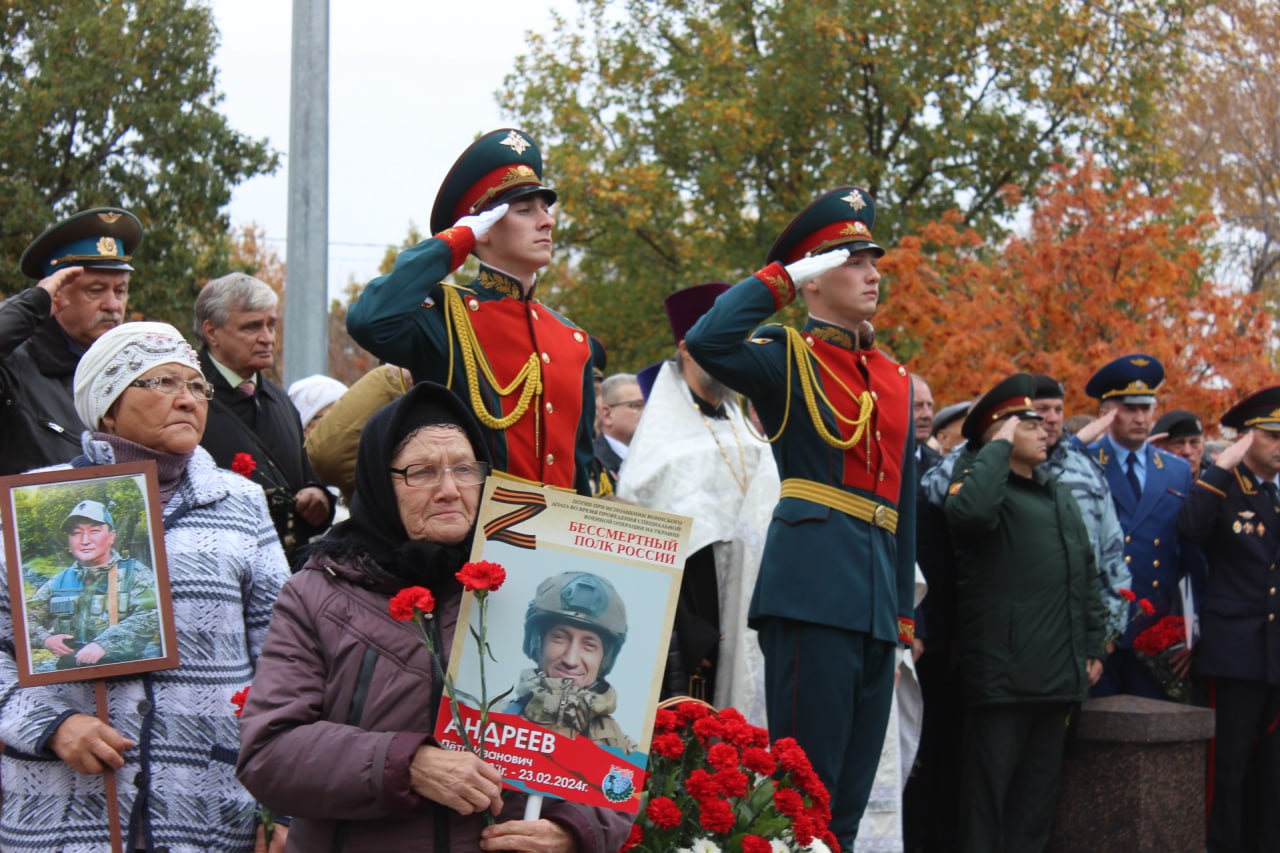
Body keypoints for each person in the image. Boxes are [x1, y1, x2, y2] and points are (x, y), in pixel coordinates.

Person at [236, 382, 631, 852]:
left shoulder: (533, 592)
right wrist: (407, 764)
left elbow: (613, 768)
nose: (448, 490)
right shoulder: (319, 594)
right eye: (421, 472)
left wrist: (572, 831)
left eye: (465, 469)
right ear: (382, 484)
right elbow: (269, 755)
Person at [685, 186, 917, 849]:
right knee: (797, 797)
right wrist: (779, 279)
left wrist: (902, 612)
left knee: (843, 803)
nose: (873, 272)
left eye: (874, 259)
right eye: (853, 261)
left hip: (875, 605)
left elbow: (901, 508)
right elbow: (707, 339)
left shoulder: (895, 379)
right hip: (813, 593)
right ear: (814, 280)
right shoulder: (785, 356)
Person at [0, 321, 290, 851]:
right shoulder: (39, 506)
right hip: (66, 809)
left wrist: (281, 799)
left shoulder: (240, 504)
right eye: (162, 383)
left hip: (208, 804)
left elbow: (284, 653)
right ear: (108, 405)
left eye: (197, 386)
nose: (188, 400)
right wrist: (51, 725)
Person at [347, 128, 596, 494]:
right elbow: (370, 320)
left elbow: (580, 467)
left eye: (545, 209)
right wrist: (455, 241)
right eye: (525, 210)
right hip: (466, 535)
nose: (547, 221)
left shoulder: (573, 339)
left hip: (552, 545)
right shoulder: (447, 316)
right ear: (483, 229)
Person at [945, 373, 1105, 853]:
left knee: (1035, 809)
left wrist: (1094, 644)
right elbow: (971, 516)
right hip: (1003, 678)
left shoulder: (1054, 489)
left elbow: (1084, 572)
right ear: (1002, 431)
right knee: (986, 804)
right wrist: (995, 449)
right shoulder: (975, 477)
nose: (1045, 430)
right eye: (1029, 424)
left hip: (1056, 677)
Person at [618, 283, 777, 720]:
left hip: (754, 602)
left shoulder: (743, 429)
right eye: (727, 342)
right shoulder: (661, 446)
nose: (736, 354)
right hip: (695, 621)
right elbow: (647, 536)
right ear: (690, 348)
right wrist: (691, 630)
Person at [1177, 386, 1280, 852]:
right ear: (1245, 439)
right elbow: (1190, 529)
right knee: (1228, 772)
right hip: (1235, 654)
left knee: (1273, 777)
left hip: (1276, 656)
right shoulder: (1225, 487)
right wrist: (1221, 467)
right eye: (1272, 435)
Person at [194, 272, 335, 558]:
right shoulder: (186, 398)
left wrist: (318, 497)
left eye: (271, 325)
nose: (267, 338)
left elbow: (308, 476)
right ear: (212, 332)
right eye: (252, 327)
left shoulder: (281, 400)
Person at [1079, 354, 1193, 699]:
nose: (1141, 417)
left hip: (1154, 626)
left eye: (1146, 407)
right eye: (1129, 408)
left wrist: (1190, 625)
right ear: (1107, 412)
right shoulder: (1084, 461)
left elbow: (1187, 550)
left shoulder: (1176, 470)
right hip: (1100, 622)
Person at [0, 207, 141, 474]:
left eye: (120, 291)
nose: (113, 304)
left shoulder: (135, 371)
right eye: (96, 290)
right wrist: (32, 306)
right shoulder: (15, 367)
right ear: (57, 294)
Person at [507, 571, 636, 753]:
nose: (571, 659)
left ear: (605, 658)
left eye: (589, 645)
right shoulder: (486, 722)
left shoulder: (624, 750)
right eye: (560, 638)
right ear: (537, 643)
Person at [27, 499, 157, 671]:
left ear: (111, 536)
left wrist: (103, 645)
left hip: (124, 672)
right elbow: (24, 619)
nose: (84, 540)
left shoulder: (135, 574)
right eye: (76, 533)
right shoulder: (59, 580)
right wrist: (45, 639)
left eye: (94, 531)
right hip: (70, 674)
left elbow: (152, 614)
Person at [304, 363, 414, 504]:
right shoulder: (366, 474)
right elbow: (330, 454)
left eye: (343, 409)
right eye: (329, 417)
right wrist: (393, 377)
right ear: (304, 429)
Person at [594, 372, 642, 483]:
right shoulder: (593, 463)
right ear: (607, 414)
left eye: (648, 406)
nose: (646, 413)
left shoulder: (654, 458)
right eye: (636, 405)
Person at [1151, 408, 1210, 476]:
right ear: (1159, 448)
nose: (1187, 452)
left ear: (1203, 446)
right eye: (1178, 443)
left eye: (1194, 442)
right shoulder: (1146, 484)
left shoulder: (1218, 483)